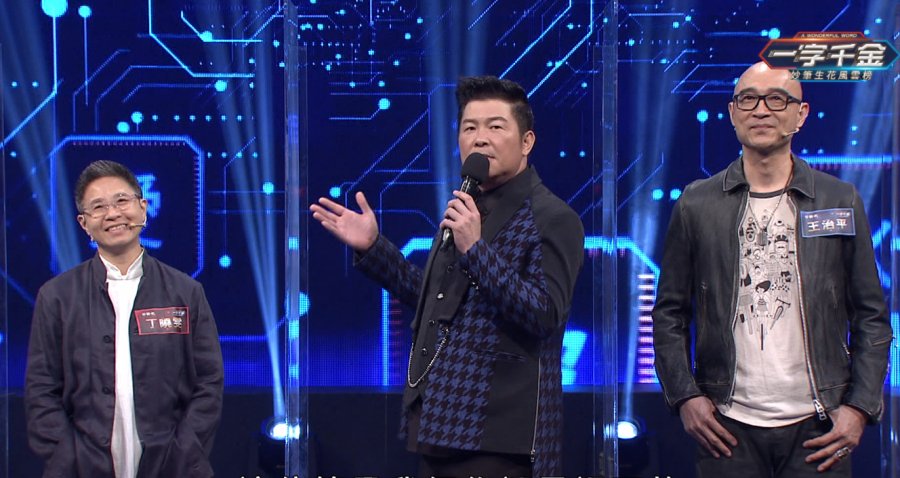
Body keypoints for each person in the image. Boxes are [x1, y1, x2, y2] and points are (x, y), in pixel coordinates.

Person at [310, 76, 584, 477]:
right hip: (439, 427)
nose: (480, 138)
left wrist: (476, 250)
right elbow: (437, 300)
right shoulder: (466, 207)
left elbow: (546, 315)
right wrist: (374, 248)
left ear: (527, 141)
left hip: (501, 436)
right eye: (469, 127)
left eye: (495, 126)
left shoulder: (552, 218)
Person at [652, 62, 892, 477]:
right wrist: (685, 396)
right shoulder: (697, 203)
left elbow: (871, 315)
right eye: (748, 99)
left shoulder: (838, 199)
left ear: (801, 114)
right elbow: (669, 313)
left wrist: (859, 407)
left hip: (820, 424)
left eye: (777, 99)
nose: (761, 110)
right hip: (727, 426)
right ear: (732, 113)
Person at [25, 160, 224, 478]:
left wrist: (183, 452)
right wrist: (69, 457)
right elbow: (41, 389)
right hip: (83, 467)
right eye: (98, 207)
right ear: (84, 223)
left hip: (172, 465)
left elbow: (208, 381)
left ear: (143, 208)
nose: (113, 214)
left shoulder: (185, 292)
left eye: (121, 201)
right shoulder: (57, 297)